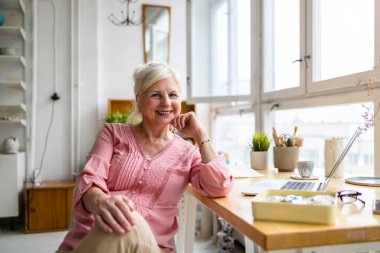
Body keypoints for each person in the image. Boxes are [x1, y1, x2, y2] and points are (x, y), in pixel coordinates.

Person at [57, 62, 233, 253]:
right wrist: (103, 202)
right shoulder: (112, 133)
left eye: (173, 95)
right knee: (119, 223)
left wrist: (200, 135)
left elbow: (220, 185)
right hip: (89, 239)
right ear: (139, 99)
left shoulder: (188, 153)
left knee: (126, 222)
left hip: (150, 247)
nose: (166, 102)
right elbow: (89, 180)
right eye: (156, 95)